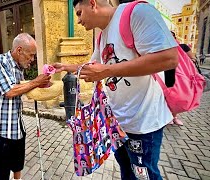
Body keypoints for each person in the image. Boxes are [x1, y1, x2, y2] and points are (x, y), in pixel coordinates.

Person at [53, 0, 178, 179]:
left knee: (145, 176)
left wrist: (106, 71)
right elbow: (92, 66)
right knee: (127, 174)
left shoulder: (138, 12)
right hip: (116, 124)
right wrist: (66, 67)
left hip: (143, 123)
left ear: (92, 3)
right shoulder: (102, 35)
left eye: (79, 13)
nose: (79, 21)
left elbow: (169, 58)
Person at [0, 33, 51, 180]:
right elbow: (9, 91)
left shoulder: (19, 67)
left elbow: (22, 87)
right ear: (19, 50)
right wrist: (36, 82)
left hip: (16, 126)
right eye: (31, 55)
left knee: (17, 163)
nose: (32, 60)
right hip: (1, 130)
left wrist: (42, 86)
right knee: (2, 173)